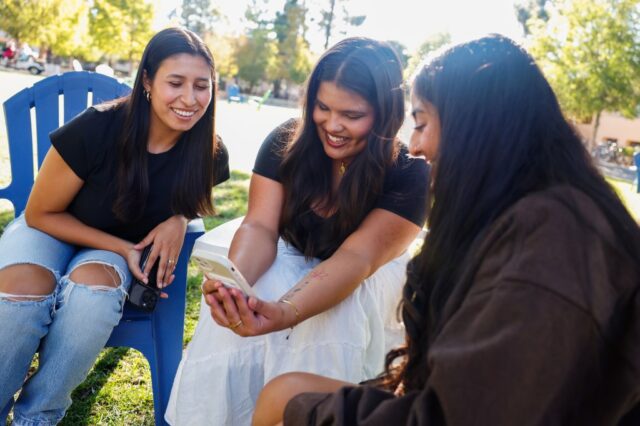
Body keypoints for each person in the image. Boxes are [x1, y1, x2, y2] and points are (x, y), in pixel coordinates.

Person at [252, 34, 640, 426]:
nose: (416, 145)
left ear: (474, 127)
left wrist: (301, 407)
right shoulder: (525, 218)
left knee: (287, 396)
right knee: (286, 389)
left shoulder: (552, 242)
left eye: (421, 123)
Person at [166, 37, 430, 425]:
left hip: (364, 276)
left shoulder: (409, 172)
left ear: (385, 114)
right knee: (256, 291)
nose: (333, 125)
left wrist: (286, 312)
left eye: (352, 115)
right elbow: (259, 226)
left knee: (334, 313)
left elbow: (357, 258)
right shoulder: (286, 141)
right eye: (323, 107)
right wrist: (238, 285)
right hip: (288, 249)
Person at [0, 27, 229, 425]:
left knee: (94, 295)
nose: (190, 100)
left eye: (201, 86)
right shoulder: (97, 128)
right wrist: (124, 248)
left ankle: (36, 417)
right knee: (22, 292)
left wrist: (179, 218)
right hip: (47, 229)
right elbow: (40, 214)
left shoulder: (207, 151)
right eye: (175, 83)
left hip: (110, 251)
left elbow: (190, 199)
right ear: (147, 81)